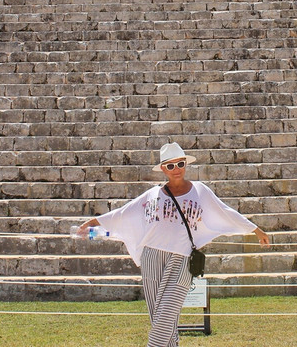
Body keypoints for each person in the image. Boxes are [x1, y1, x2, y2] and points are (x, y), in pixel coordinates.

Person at [77, 142, 271, 347]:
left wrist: (255, 230)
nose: (176, 169)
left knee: (166, 313)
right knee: (158, 314)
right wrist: (92, 223)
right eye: (170, 166)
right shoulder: (152, 194)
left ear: (185, 164)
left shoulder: (200, 191)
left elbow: (225, 211)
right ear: (163, 169)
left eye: (180, 164)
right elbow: (124, 213)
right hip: (152, 256)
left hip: (182, 258)